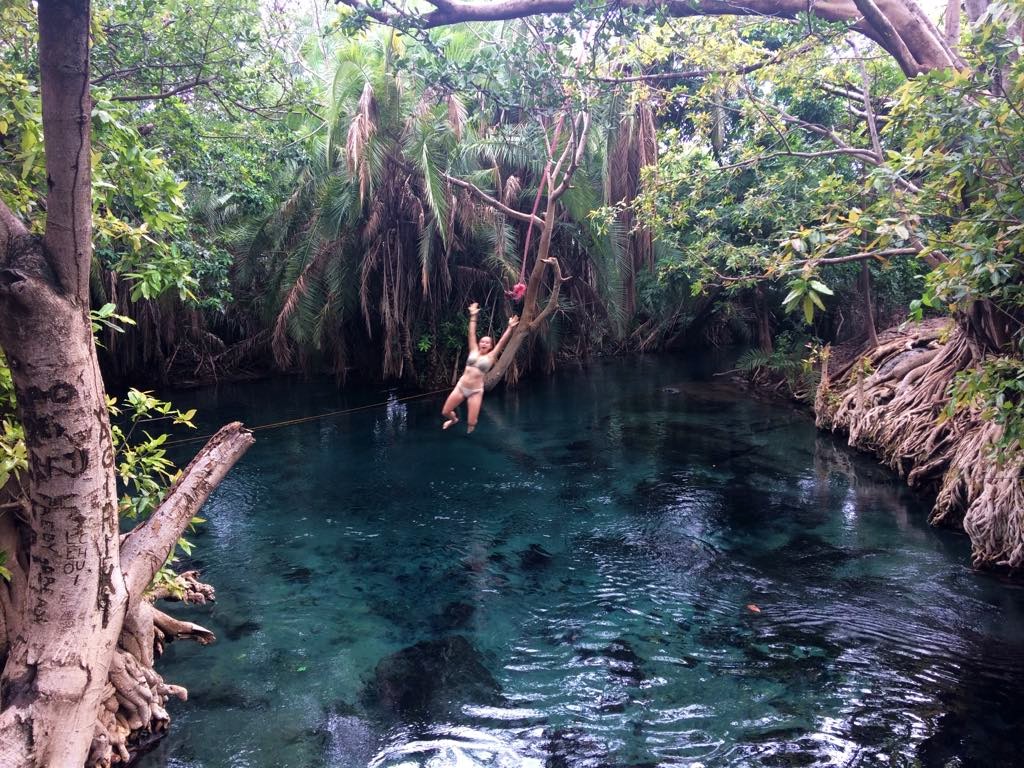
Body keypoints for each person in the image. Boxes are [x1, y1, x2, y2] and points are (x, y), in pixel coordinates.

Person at [441, 302, 519, 434]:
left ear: (490, 346)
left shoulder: (491, 356)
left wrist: (510, 328)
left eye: (487, 342)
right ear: (479, 343)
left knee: (471, 423)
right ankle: (454, 420)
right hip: (461, 387)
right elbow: (471, 333)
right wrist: (473, 316)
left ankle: (471, 423)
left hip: (475, 391)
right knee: (446, 412)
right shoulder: (473, 351)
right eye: (482, 341)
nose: (484, 343)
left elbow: (501, 342)